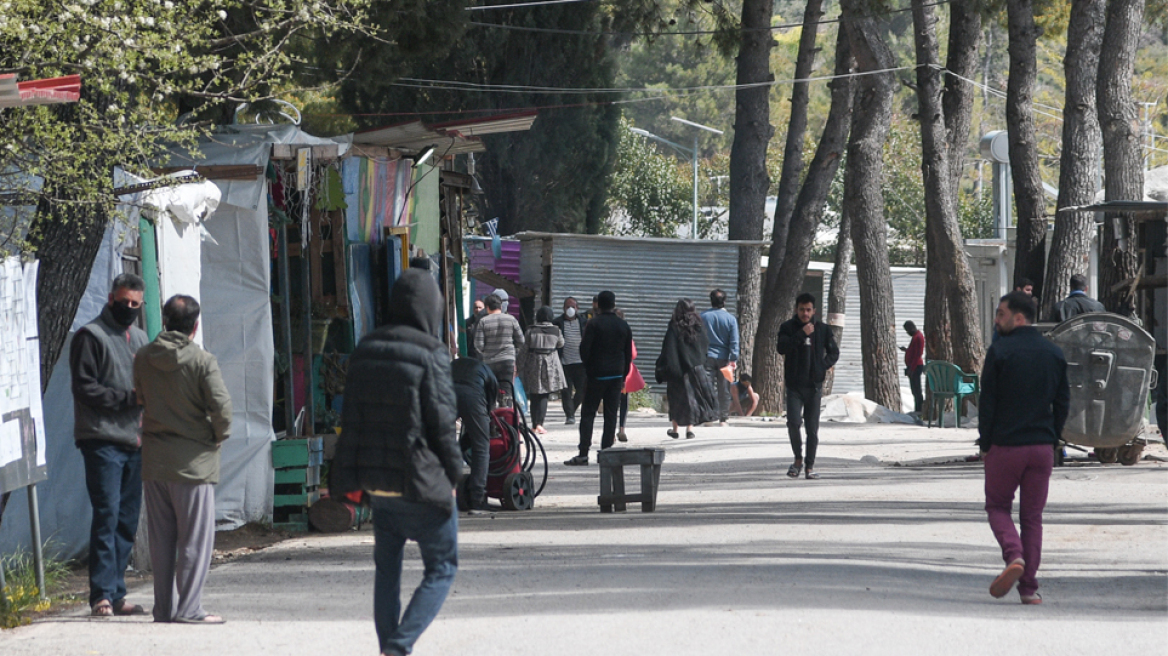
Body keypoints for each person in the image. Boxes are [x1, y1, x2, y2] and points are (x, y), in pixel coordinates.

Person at [332, 269, 463, 656]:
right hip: (420, 482)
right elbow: (442, 423)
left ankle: (387, 645)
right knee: (442, 567)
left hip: (378, 486)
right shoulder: (432, 353)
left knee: (387, 572)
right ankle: (399, 645)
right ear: (431, 308)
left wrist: (344, 477)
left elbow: (350, 421)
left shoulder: (365, 348)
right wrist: (455, 473)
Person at [134, 295, 233, 624]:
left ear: (164, 321)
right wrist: (216, 437)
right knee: (194, 540)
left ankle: (163, 609)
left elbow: (140, 397)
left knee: (161, 541)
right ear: (196, 325)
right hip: (193, 462)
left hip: (154, 460)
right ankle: (190, 609)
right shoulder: (202, 361)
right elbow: (222, 409)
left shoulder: (144, 357)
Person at [979, 291, 1069, 605]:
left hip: (1006, 445)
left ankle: (1014, 556)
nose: (996, 320)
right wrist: (1053, 438)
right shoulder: (1054, 353)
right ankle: (1029, 589)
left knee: (997, 507)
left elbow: (987, 401)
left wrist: (985, 442)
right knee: (1032, 517)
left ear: (1019, 318)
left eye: (1001, 314)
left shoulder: (1000, 351)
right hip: (1041, 447)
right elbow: (1063, 402)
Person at [69, 273, 150, 617]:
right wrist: (127, 398)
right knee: (107, 515)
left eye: (135, 304)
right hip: (102, 439)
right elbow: (85, 387)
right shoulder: (91, 335)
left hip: (135, 440)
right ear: (111, 298)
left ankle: (117, 593)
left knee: (127, 521)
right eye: (124, 302)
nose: (129, 308)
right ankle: (101, 594)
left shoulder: (142, 338)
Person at [776, 293, 839, 480]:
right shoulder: (787, 327)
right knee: (793, 423)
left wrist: (822, 366)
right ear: (797, 309)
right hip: (794, 385)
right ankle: (797, 459)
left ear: (814, 311)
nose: (805, 313)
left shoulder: (823, 329)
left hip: (814, 386)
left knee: (812, 429)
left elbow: (834, 352)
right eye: (802, 309)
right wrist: (801, 334)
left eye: (808, 310)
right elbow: (781, 348)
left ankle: (809, 466)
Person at [564, 291, 632, 466]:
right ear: (613, 304)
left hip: (596, 375)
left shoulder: (593, 324)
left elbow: (584, 350)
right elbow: (627, 353)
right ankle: (606, 452)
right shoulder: (623, 325)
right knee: (611, 415)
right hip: (616, 376)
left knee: (588, 414)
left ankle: (583, 453)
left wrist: (589, 368)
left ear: (598, 305)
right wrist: (623, 375)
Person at [657, 299, 715, 440]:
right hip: (695, 370)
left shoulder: (674, 326)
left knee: (676, 399)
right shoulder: (699, 326)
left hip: (677, 370)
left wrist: (665, 367)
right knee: (692, 399)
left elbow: (668, 348)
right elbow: (704, 346)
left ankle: (675, 429)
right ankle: (690, 428)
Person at [452, 357, 497, 515]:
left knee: (444, 443)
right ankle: (477, 500)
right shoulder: (487, 371)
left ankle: (444, 494)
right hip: (472, 396)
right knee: (481, 446)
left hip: (446, 393)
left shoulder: (454, 364)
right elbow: (490, 404)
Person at [520, 306, 566, 434]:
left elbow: (524, 349)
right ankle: (540, 423)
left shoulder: (531, 330)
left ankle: (534, 424)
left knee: (534, 393)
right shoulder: (556, 330)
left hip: (534, 362)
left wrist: (518, 366)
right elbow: (561, 343)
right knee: (544, 393)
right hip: (550, 363)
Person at [473, 292, 524, 399]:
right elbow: (521, 340)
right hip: (507, 361)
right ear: (501, 306)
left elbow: (478, 345)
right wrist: (513, 352)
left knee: (490, 394)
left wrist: (486, 353)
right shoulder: (511, 319)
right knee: (507, 393)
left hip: (489, 363)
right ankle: (507, 413)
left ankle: (492, 414)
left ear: (487, 307)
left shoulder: (483, 321)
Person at [701, 289, 739, 426]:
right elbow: (734, 341)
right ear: (724, 301)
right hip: (725, 359)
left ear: (711, 300)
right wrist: (733, 359)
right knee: (724, 389)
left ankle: (709, 416)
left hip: (707, 356)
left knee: (707, 387)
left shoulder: (703, 317)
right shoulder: (731, 319)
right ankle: (723, 418)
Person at [552, 297, 587, 425]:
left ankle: (572, 408)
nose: (570, 309)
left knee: (582, 390)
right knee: (566, 391)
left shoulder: (584, 322)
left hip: (580, 363)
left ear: (577, 308)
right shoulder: (557, 323)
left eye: (573, 307)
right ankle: (570, 415)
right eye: (568, 307)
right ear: (563, 308)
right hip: (564, 363)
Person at [614, 308, 646, 443]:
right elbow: (633, 354)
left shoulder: (603, 331)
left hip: (608, 371)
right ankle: (621, 429)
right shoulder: (626, 332)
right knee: (623, 402)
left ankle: (609, 432)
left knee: (611, 403)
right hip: (624, 372)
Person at [901, 321, 926, 414]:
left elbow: (918, 354)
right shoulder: (915, 337)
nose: (907, 332)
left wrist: (912, 368)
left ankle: (919, 410)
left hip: (916, 367)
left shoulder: (918, 337)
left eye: (907, 330)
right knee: (914, 390)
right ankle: (917, 409)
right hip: (913, 366)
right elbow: (913, 351)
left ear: (911, 328)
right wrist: (906, 350)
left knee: (917, 390)